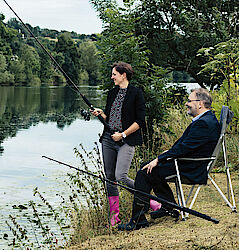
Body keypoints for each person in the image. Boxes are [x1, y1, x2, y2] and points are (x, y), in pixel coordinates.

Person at [117, 88, 221, 231]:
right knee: (147, 166)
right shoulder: (207, 119)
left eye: (189, 101)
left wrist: (160, 159)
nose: (186, 103)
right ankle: (168, 207)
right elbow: (187, 145)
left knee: (145, 172)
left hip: (191, 167)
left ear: (200, 104)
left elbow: (184, 148)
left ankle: (138, 220)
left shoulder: (203, 123)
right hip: (190, 162)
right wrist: (166, 155)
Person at [92, 62, 157, 226]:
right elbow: (110, 117)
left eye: (114, 74)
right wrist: (101, 114)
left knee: (121, 176)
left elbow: (140, 121)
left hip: (127, 140)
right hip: (108, 139)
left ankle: (151, 202)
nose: (112, 77)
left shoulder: (136, 93)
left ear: (123, 75)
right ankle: (114, 216)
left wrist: (123, 134)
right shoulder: (112, 93)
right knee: (110, 178)